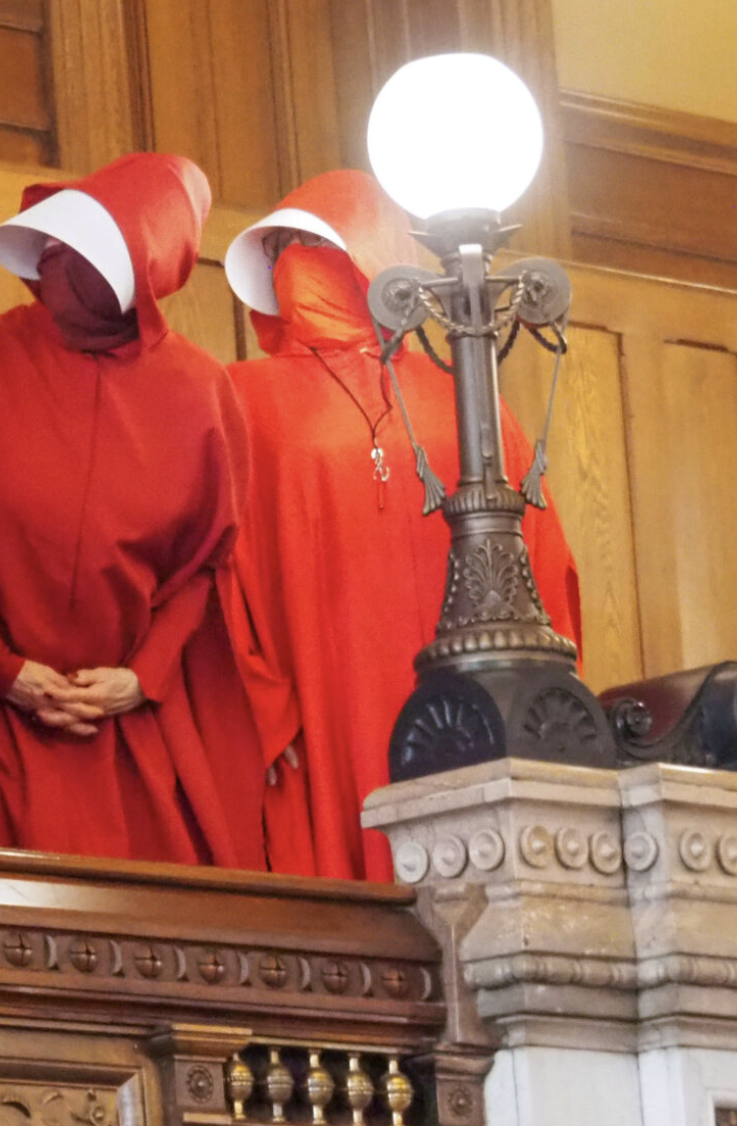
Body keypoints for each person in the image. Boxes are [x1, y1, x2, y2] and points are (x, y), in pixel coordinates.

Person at [0, 153, 264, 866]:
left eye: (97, 251)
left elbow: (207, 566)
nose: (68, 264)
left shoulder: (202, 392)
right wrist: (2, 668)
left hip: (129, 743)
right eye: (64, 245)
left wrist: (143, 676)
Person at [220, 169, 582, 881]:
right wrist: (263, 706)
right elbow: (217, 568)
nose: (292, 262)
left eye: (311, 243)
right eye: (282, 247)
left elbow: (541, 554)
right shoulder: (239, 397)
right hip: (322, 691)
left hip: (469, 691)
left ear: (370, 252)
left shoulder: (466, 391)